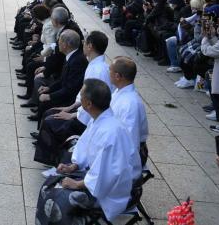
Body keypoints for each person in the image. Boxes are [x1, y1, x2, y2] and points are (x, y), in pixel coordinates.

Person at [36, 79, 141, 224]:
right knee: (50, 183)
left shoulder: (111, 132)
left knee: (58, 199)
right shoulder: (99, 118)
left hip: (110, 192)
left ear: (89, 104)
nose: (80, 97)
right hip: (96, 178)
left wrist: (77, 184)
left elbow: (107, 175)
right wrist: (74, 166)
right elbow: (86, 146)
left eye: (82, 95)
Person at [33, 30, 112, 165]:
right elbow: (84, 94)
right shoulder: (94, 65)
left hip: (88, 119)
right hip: (84, 109)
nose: (83, 44)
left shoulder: (97, 70)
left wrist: (72, 115)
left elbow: (92, 102)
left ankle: (55, 160)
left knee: (52, 119)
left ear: (90, 46)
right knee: (51, 113)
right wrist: (71, 107)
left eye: (85, 42)